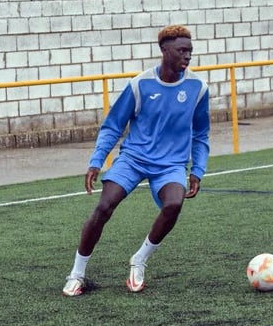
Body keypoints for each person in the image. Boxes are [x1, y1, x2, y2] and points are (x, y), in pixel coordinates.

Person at [62, 25, 210, 297]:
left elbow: (201, 134)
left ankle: (139, 260)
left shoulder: (198, 88)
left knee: (174, 203)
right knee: (104, 206)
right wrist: (97, 161)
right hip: (133, 159)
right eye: (182, 50)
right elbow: (112, 126)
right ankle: (77, 274)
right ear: (164, 51)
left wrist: (197, 170)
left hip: (171, 164)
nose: (188, 56)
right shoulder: (140, 84)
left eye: (190, 51)